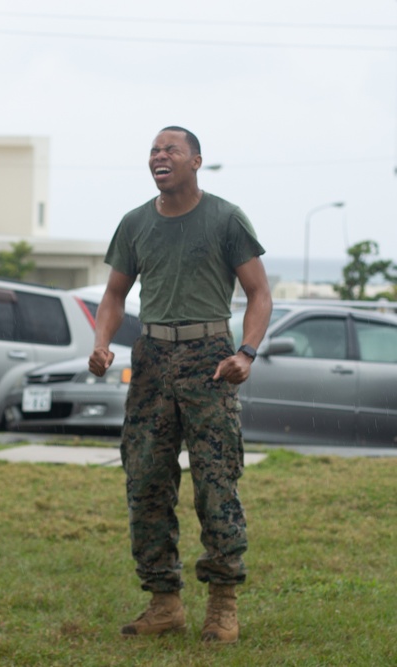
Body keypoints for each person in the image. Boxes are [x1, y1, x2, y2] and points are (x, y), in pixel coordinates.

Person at [88, 126, 272, 644]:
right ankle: (163, 602)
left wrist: (246, 353)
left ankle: (223, 603)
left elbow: (259, 294)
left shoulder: (225, 218)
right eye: (153, 150)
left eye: (170, 149)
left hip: (209, 359)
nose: (159, 156)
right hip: (151, 359)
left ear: (196, 161)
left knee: (215, 483)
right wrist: (103, 342)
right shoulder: (135, 224)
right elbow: (113, 295)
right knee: (145, 481)